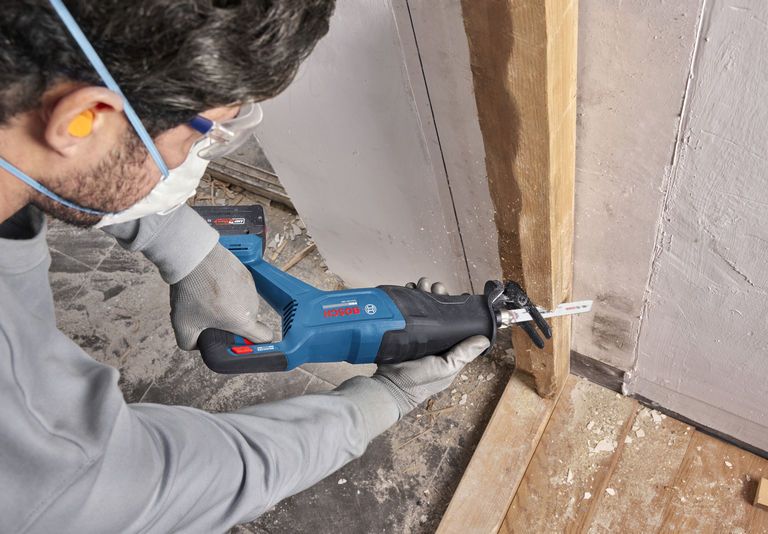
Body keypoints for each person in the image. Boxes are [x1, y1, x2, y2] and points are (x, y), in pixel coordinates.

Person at [0, 1, 490, 532]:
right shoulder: (24, 415)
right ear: (82, 118)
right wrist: (379, 400)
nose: (199, 154)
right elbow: (161, 482)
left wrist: (178, 241)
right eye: (204, 132)